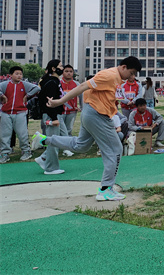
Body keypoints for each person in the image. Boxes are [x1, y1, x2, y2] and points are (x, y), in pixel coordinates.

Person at [35, 56, 143, 201]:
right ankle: (106, 189)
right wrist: (60, 101)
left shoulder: (117, 78)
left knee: (81, 145)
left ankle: (44, 140)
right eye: (132, 72)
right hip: (96, 115)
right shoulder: (108, 75)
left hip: (94, 113)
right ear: (123, 67)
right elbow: (81, 87)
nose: (133, 76)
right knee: (115, 149)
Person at [0, 66, 40, 163]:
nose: (19, 76)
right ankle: (4, 153)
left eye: (20, 74)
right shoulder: (5, 84)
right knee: (5, 134)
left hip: (20, 112)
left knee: (22, 133)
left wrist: (27, 95)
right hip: (6, 112)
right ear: (10, 75)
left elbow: (37, 88)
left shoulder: (24, 84)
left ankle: (26, 151)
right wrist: (2, 95)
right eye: (16, 73)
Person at [35, 60, 67, 175]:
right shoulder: (51, 82)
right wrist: (54, 118)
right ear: (53, 69)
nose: (62, 68)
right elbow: (49, 102)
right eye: (60, 66)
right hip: (51, 115)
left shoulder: (54, 81)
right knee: (54, 141)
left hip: (56, 114)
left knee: (62, 138)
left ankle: (43, 158)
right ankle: (51, 168)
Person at [59, 65, 81, 141]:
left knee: (69, 129)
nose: (69, 73)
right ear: (62, 72)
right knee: (60, 129)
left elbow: (81, 96)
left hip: (72, 111)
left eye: (71, 71)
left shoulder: (76, 84)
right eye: (66, 71)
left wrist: (81, 107)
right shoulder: (58, 83)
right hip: (60, 110)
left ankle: (68, 144)